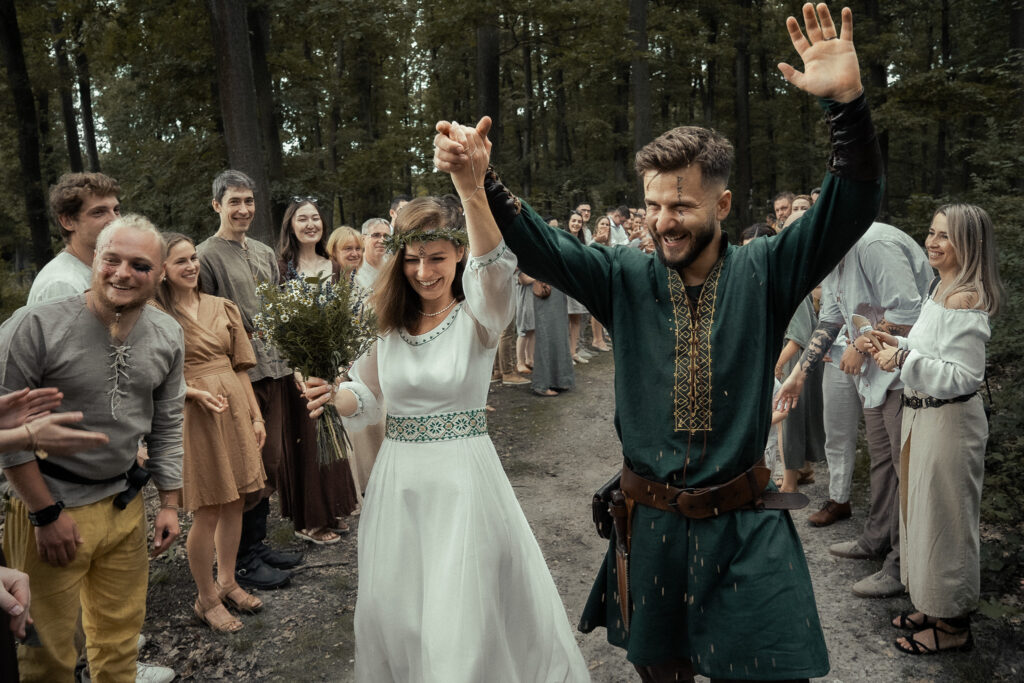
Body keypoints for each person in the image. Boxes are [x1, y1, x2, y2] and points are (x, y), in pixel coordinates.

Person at [435, 5, 881, 679]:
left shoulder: (765, 270)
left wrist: (847, 106)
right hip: (654, 531)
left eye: (681, 206)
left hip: (745, 528)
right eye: (653, 205)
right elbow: (544, 247)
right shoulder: (623, 274)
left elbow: (850, 206)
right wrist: (483, 179)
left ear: (723, 206)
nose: (663, 221)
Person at [302, 175, 589, 680]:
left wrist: (472, 189)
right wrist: (333, 397)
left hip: (463, 481)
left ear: (458, 255)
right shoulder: (386, 321)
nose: (423, 270)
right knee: (403, 610)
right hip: (399, 482)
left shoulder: (480, 315)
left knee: (462, 616)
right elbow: (367, 397)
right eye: (412, 258)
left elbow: (495, 265)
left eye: (436, 257)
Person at [1, 215, 185, 682]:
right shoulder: (34, 327)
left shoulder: (167, 334)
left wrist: (169, 502)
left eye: (140, 265)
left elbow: (167, 420)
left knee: (119, 639)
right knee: (46, 653)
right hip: (49, 507)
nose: (123, 273)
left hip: (125, 508)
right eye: (112, 259)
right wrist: (44, 514)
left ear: (160, 273)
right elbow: (6, 431)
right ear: (94, 261)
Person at [869, 204, 1004, 655]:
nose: (932, 241)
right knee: (922, 517)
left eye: (944, 236)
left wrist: (905, 361)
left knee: (947, 522)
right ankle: (932, 605)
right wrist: (897, 343)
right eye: (931, 232)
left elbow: (965, 376)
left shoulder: (966, 298)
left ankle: (954, 627)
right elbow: (931, 349)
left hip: (950, 423)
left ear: (969, 245)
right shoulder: (940, 286)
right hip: (922, 416)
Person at [778, 219, 932, 595]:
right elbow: (830, 318)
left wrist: (859, 343)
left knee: (904, 469)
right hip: (876, 375)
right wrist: (799, 373)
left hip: (907, 371)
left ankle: (900, 567)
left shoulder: (874, 245)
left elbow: (912, 312)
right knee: (882, 462)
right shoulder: (833, 257)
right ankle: (876, 540)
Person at [154, 233, 267, 633]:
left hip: (233, 407)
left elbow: (240, 367)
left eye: (193, 259)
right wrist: (190, 392)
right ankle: (205, 598)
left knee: (236, 501)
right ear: (162, 270)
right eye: (180, 261)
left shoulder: (223, 307)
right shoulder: (154, 314)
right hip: (193, 411)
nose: (191, 266)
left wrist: (256, 417)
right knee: (209, 509)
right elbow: (148, 377)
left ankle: (228, 581)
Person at [197, 170, 300, 589]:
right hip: (238, 376)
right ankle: (238, 562)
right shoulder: (206, 256)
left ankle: (256, 546)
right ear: (217, 205)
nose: (243, 209)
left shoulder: (262, 252)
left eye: (248, 201)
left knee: (270, 462)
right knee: (246, 468)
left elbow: (275, 309)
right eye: (234, 201)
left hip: (274, 368)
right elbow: (201, 318)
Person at [276, 198, 361, 543]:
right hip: (296, 368)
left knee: (331, 439)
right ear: (290, 225)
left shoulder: (334, 266)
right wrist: (295, 363)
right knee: (307, 441)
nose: (310, 224)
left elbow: (348, 316)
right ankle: (310, 520)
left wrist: (340, 367)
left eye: (315, 218)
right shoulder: (282, 268)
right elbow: (277, 321)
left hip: (329, 366)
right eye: (302, 219)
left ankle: (332, 509)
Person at [28, 172, 120, 305]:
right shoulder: (63, 285)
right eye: (99, 212)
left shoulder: (94, 272)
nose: (115, 220)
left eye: (116, 210)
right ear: (67, 221)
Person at [565, 211, 593, 363]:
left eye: (579, 222)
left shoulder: (582, 242)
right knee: (565, 319)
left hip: (577, 283)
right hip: (564, 283)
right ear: (568, 222)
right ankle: (564, 354)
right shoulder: (562, 238)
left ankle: (573, 351)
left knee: (577, 317)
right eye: (573, 221)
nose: (576, 224)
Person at [355, 217, 392, 292]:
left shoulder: (392, 265)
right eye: (376, 235)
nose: (382, 241)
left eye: (386, 236)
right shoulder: (355, 270)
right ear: (363, 239)